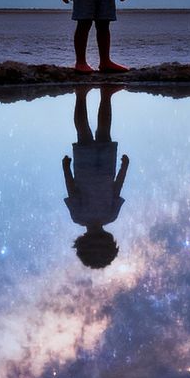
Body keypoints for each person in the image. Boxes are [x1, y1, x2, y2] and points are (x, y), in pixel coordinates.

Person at [62, 85, 130, 268]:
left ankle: (85, 95)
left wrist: (66, 169)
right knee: (98, 131)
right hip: (102, 168)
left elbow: (72, 189)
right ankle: (96, 95)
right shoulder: (106, 215)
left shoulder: (87, 216)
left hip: (93, 168)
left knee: (92, 131)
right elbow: (116, 189)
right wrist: (124, 168)